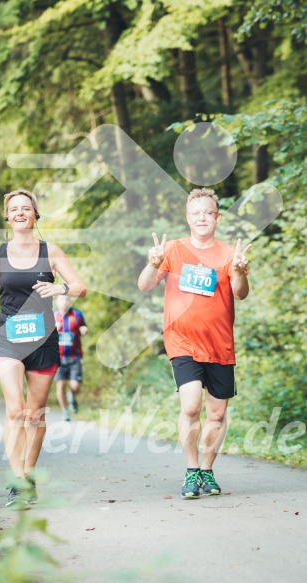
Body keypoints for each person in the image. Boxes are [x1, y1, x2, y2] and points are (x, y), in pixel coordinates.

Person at [0, 188, 86, 507]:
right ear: (7, 216)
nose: (20, 212)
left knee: (35, 415)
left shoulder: (51, 251)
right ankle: (16, 480)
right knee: (16, 410)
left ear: (35, 215)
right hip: (8, 336)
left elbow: (80, 286)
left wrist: (59, 286)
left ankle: (29, 477)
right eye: (14, 209)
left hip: (43, 339)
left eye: (26, 208)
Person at [138, 187, 251, 500]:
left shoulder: (229, 254)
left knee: (216, 415)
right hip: (182, 341)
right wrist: (153, 262)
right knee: (191, 405)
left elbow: (240, 292)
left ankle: (207, 469)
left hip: (220, 345)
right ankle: (190, 471)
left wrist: (240, 271)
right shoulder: (173, 250)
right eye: (195, 213)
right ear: (188, 218)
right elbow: (145, 285)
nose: (202, 217)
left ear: (217, 217)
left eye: (207, 212)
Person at [54, 295, 88, 421]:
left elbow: (83, 327)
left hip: (75, 356)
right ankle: (65, 410)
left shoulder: (77, 314)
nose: (64, 302)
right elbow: (44, 336)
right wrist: (53, 329)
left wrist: (84, 329)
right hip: (58, 358)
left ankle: (71, 395)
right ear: (57, 301)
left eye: (67, 299)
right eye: (62, 299)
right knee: (60, 385)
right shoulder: (51, 316)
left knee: (75, 385)